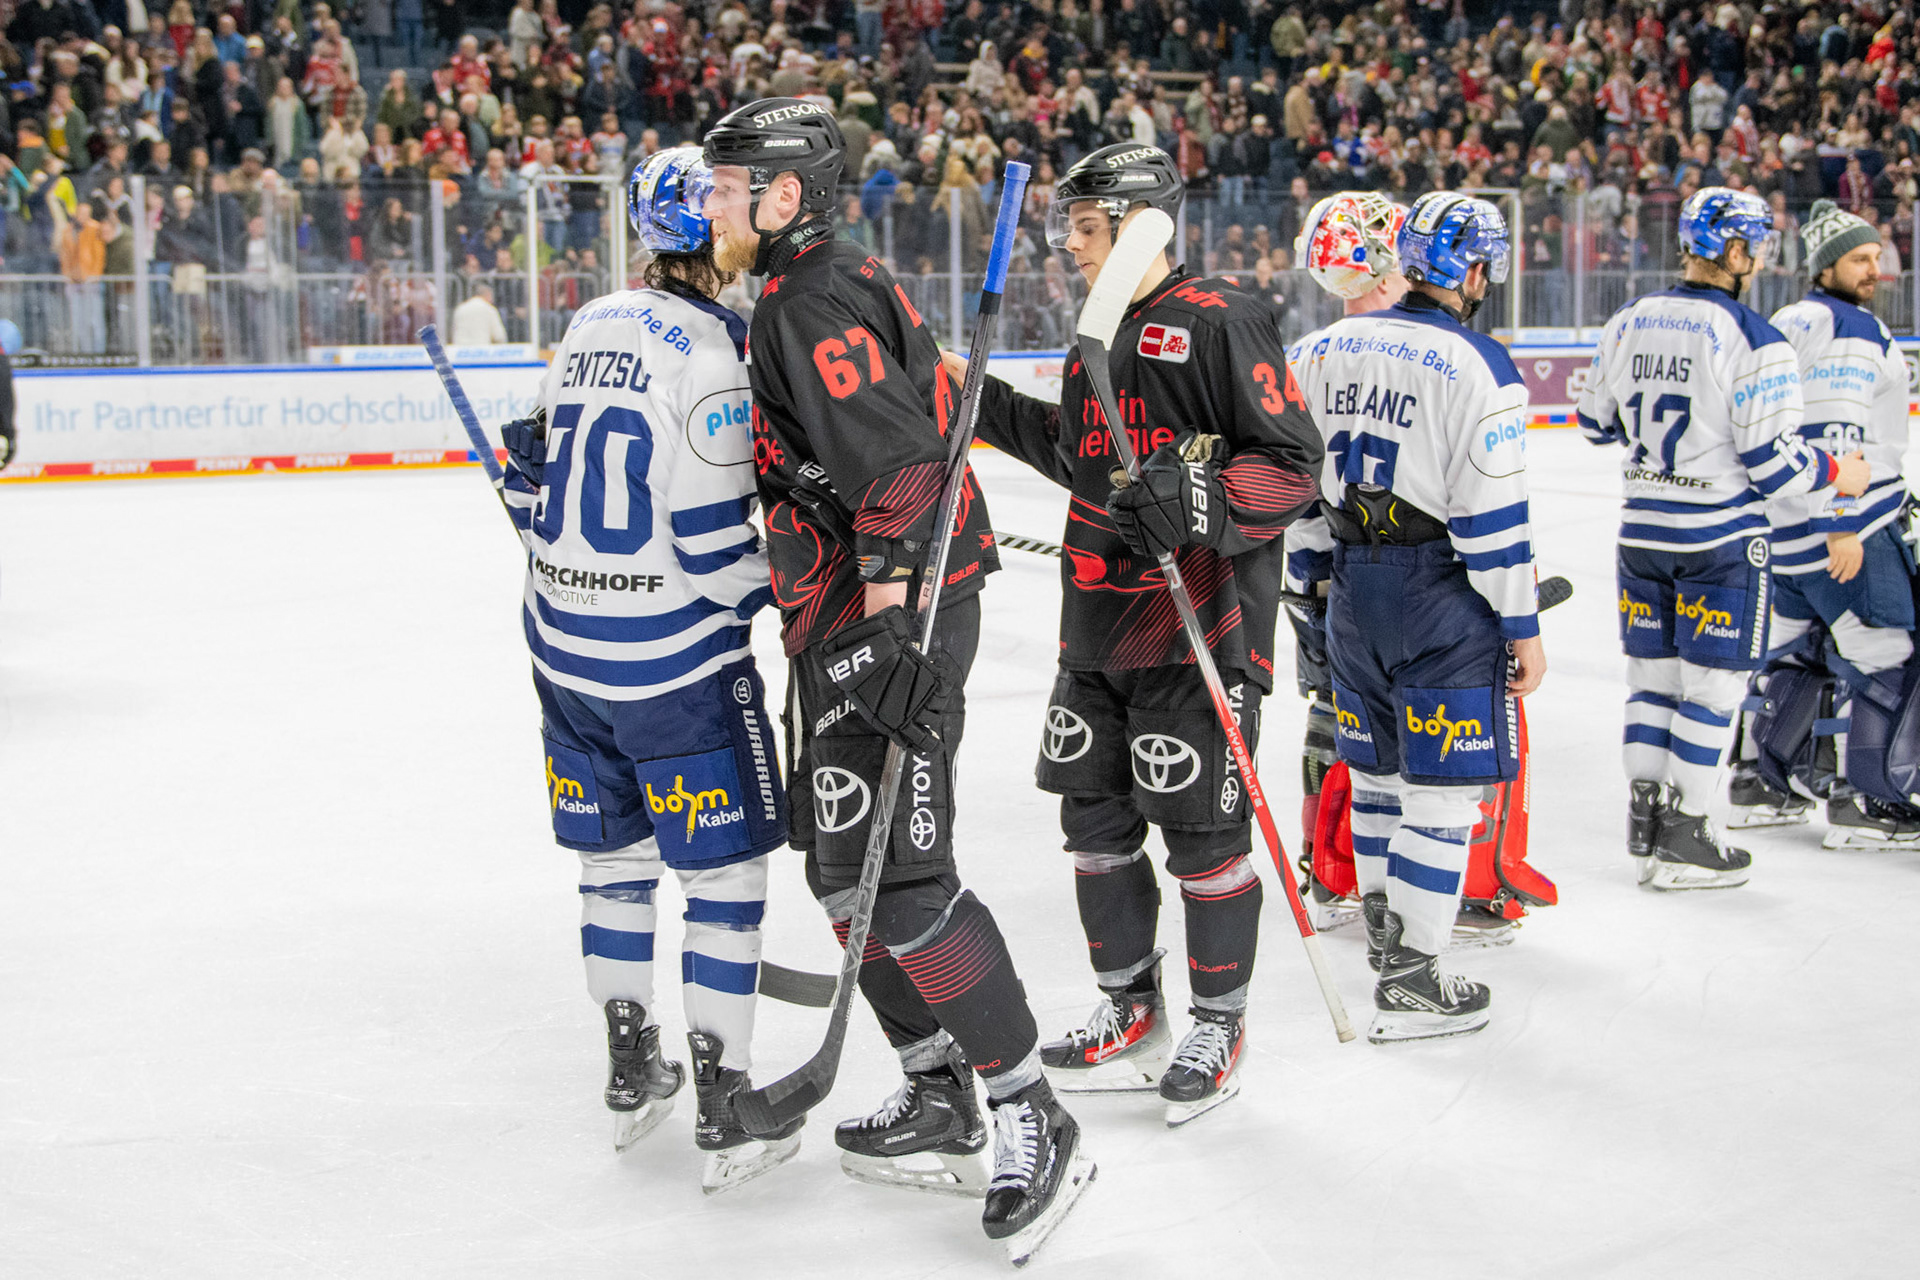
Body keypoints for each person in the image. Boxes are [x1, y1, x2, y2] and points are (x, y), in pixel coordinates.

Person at [702, 99, 1092, 1261]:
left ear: (783, 196)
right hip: (845, 610)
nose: (713, 205)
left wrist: (887, 631)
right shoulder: (802, 283)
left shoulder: (810, 295)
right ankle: (938, 1084)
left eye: (727, 186)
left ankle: (1032, 1109)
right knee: (840, 868)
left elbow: (906, 471)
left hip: (897, 609)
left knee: (906, 877)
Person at [954, 144, 1322, 1118]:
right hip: (1095, 628)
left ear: (1138, 222)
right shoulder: (1098, 332)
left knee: (1201, 836)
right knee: (1094, 827)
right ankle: (1131, 1009)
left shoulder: (1221, 318)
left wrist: (1207, 498)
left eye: (1085, 226)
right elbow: (1082, 457)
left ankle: (1219, 1022)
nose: (1070, 245)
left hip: (1199, 626)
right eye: (1068, 227)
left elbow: (1293, 464)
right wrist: (980, 400)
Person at [495, 147, 794, 1193]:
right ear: (714, 230)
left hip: (563, 653)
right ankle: (724, 1098)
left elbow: (529, 489)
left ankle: (631, 1068)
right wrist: (793, 589)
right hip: (670, 667)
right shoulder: (717, 352)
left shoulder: (587, 323)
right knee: (723, 873)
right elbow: (711, 549)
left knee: (612, 861)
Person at [1293, 191, 1545, 1044]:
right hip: (1442, 594)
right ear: (1471, 271)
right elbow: (1493, 522)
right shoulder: (1480, 365)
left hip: (1349, 588)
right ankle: (1412, 979)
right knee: (1444, 794)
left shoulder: (1317, 351)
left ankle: (1384, 937)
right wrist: (1522, 629)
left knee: (1374, 778)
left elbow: (1295, 492)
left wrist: (1311, 586)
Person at [1576, 187, 1870, 890]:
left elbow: (1593, 422)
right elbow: (1775, 466)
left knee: (1651, 682)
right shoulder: (1754, 337)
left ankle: (1645, 822)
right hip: (1720, 539)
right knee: (1713, 688)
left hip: (1642, 532)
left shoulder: (1628, 319)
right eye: (1756, 246)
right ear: (1734, 251)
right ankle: (1687, 828)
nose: (1761, 259)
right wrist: (1840, 471)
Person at [1728, 202, 1916, 843]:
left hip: (1781, 530)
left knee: (1795, 653)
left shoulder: (1786, 321)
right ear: (1826, 266)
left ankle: (1760, 782)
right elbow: (1837, 426)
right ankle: (1867, 799)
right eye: (1859, 259)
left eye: (1876, 257)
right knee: (1886, 653)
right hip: (1846, 527)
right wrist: (1841, 521)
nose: (1873, 269)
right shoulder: (1850, 326)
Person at [1280, 192, 1409, 931]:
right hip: (1395, 571)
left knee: (1330, 713)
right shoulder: (1429, 351)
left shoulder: (1301, 358)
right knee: (1406, 720)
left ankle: (1325, 868)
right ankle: (1399, 882)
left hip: (1312, 570)